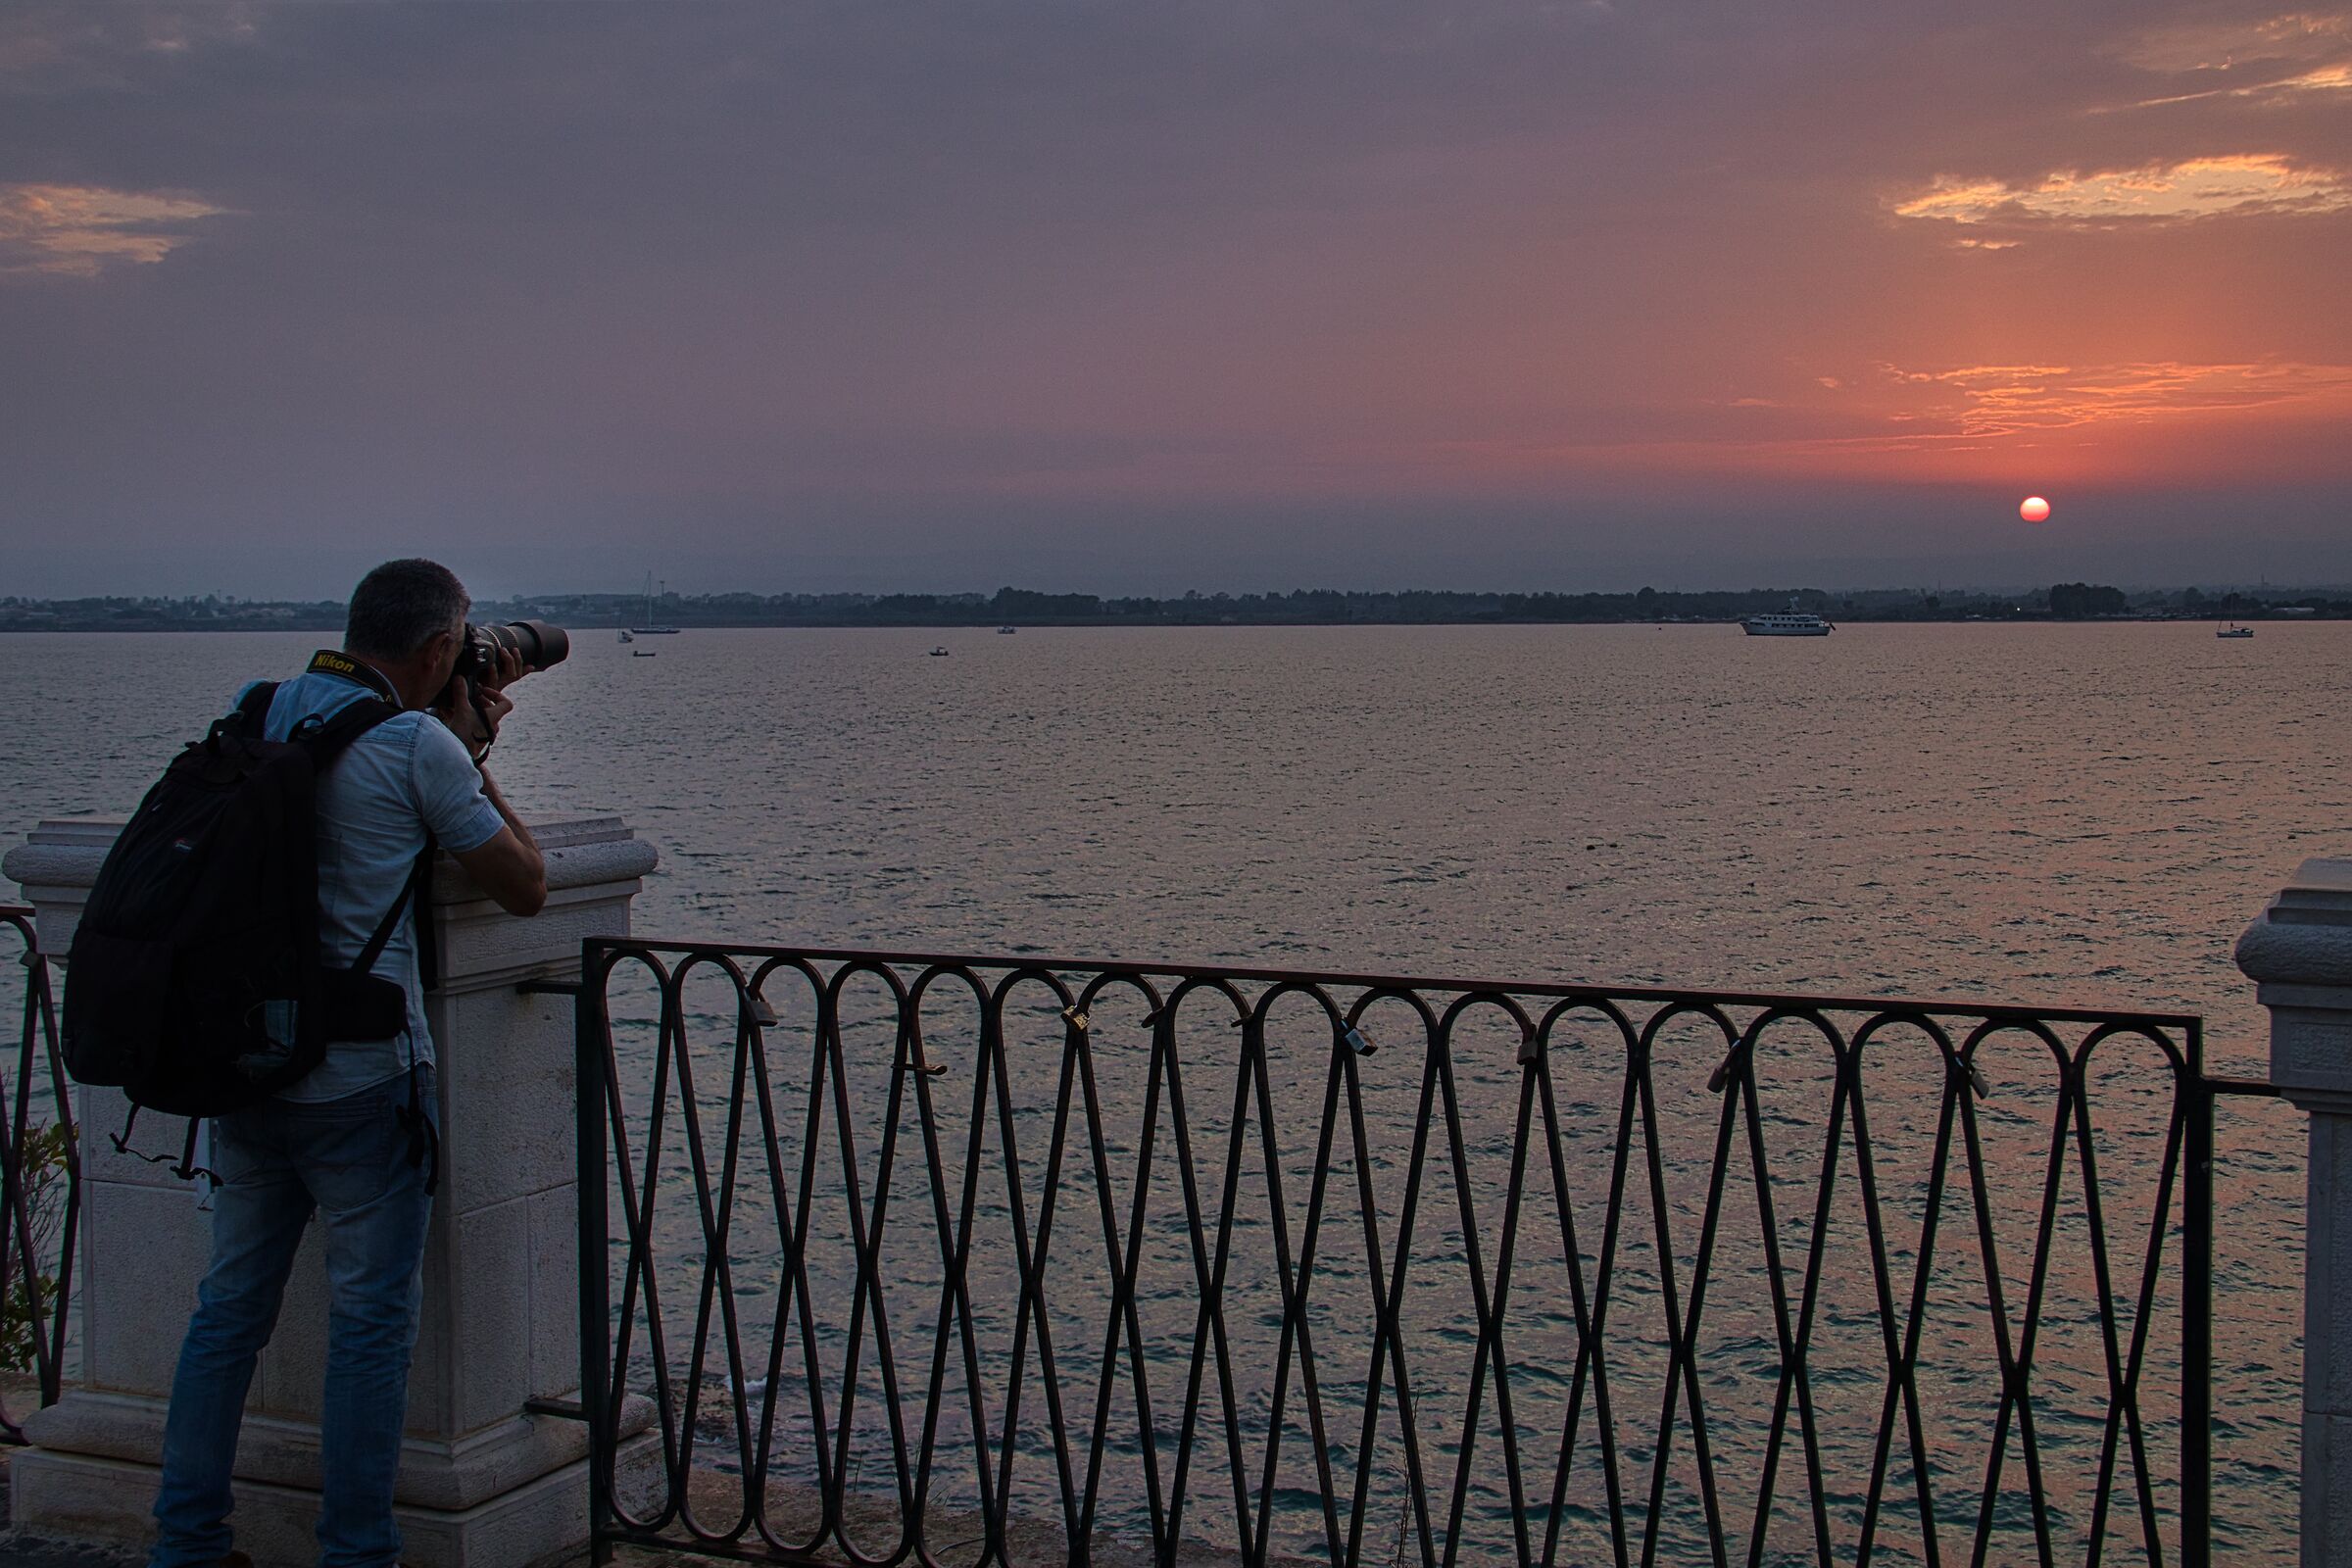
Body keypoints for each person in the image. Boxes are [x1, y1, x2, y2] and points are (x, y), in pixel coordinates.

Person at [146, 559, 548, 1568]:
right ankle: (357, 1553)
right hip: (365, 1079)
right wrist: (473, 749)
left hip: (245, 1064)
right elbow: (526, 883)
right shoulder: (415, 744)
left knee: (229, 1308)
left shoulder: (258, 706)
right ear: (439, 651)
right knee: (370, 1326)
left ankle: (185, 1542)